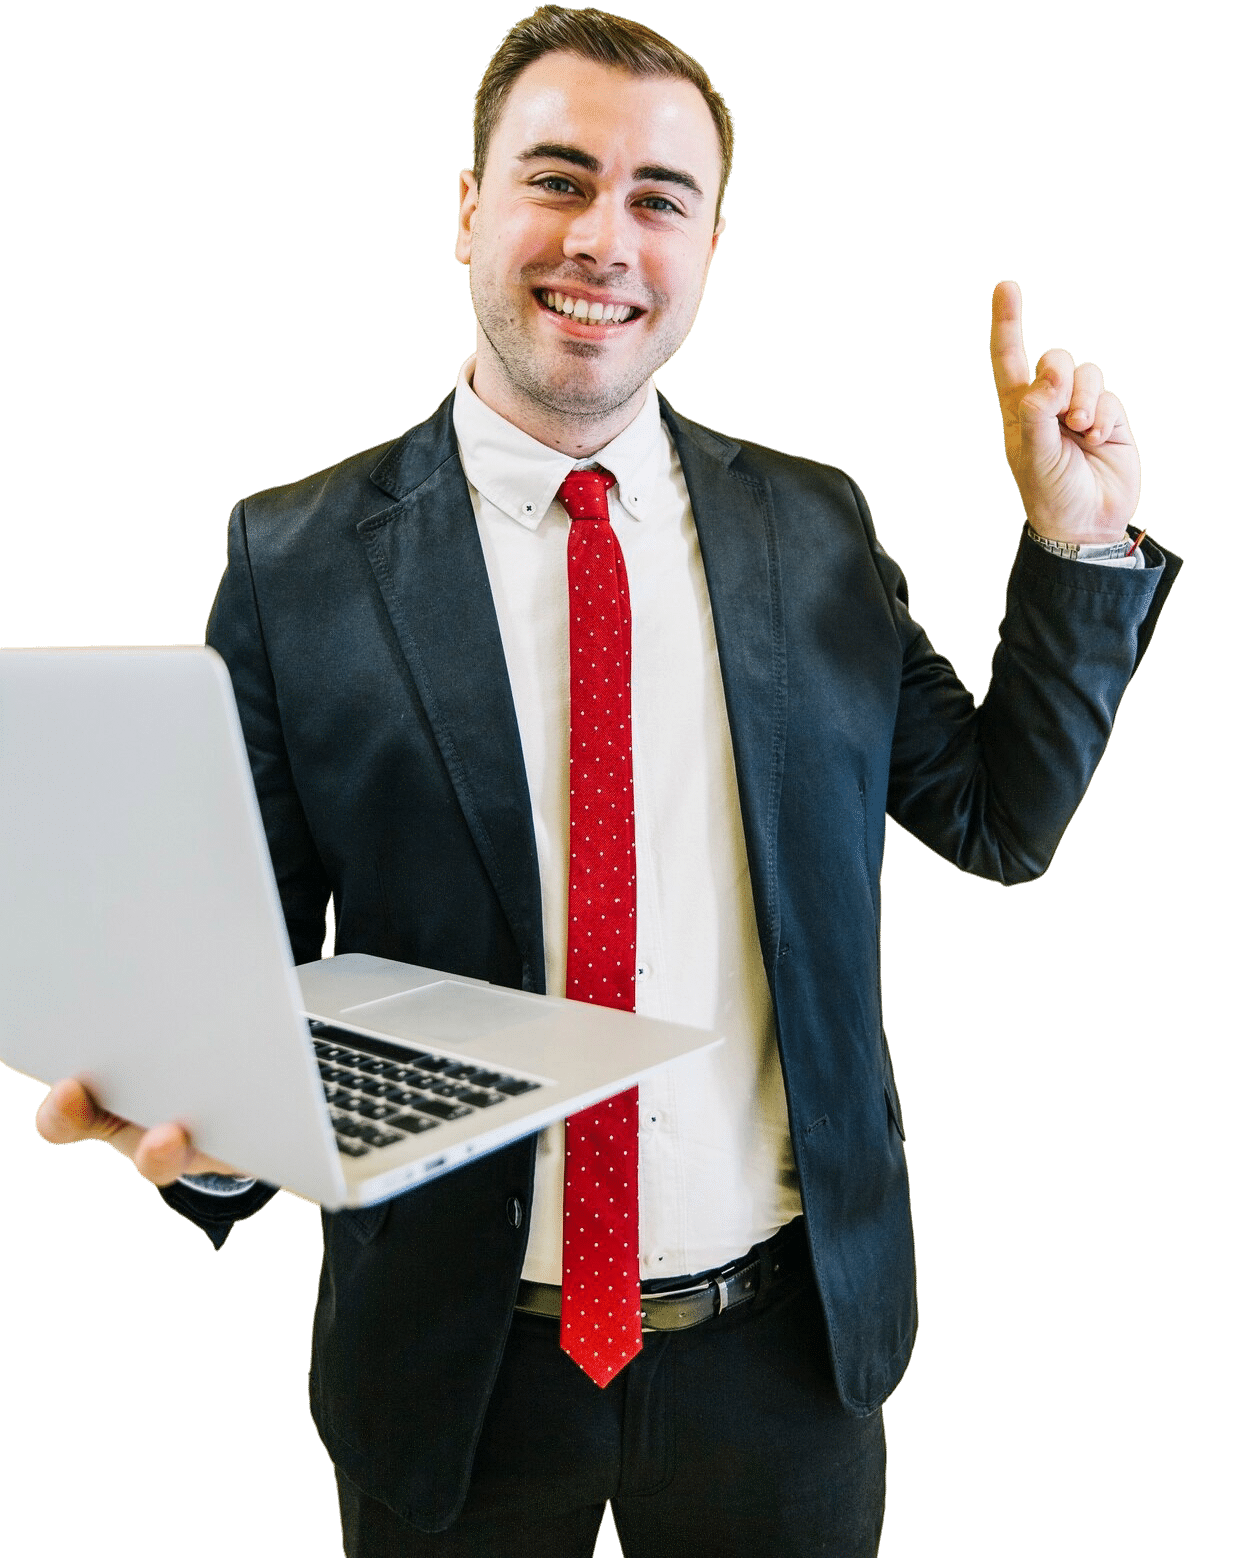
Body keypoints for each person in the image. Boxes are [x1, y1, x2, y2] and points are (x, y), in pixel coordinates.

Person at [31, 7, 1180, 1555]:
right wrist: (217, 1133)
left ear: (709, 244)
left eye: (659, 198)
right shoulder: (294, 560)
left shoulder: (814, 528)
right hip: (453, 1372)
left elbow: (999, 815)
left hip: (785, 1362)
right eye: (557, 178)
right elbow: (242, 973)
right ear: (468, 208)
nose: (603, 239)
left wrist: (1075, 542)